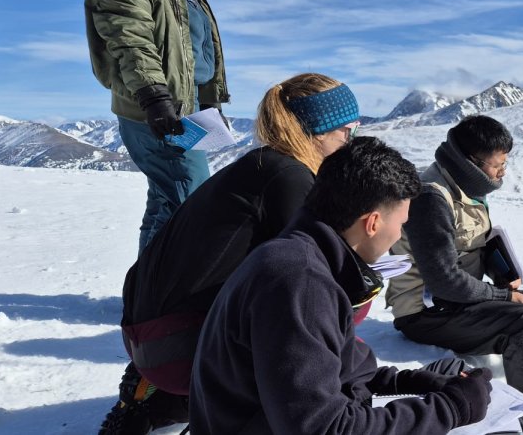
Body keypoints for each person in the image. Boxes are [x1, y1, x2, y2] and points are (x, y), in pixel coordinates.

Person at [98, 74, 361, 434]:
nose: (350, 142)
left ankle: (160, 399)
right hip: (177, 347)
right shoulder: (289, 178)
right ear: (317, 131)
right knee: (338, 300)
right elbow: (315, 283)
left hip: (151, 336)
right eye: (346, 131)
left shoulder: (263, 166)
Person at [188, 136, 492, 434]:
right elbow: (324, 427)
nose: (400, 236)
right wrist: (451, 409)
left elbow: (345, 370)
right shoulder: (301, 282)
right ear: (372, 223)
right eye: (402, 224)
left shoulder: (306, 260)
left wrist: (415, 383)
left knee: (450, 375)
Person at [385, 115, 523, 433]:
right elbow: (443, 279)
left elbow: (471, 248)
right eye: (497, 165)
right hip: (424, 313)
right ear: (471, 161)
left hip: (456, 304)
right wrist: (503, 295)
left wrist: (502, 272)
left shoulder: (467, 189)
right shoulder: (432, 198)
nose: (503, 172)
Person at [84, 0, 228, 253]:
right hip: (154, 108)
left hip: (186, 107)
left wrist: (209, 102)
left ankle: (146, 296)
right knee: (187, 199)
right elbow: (130, 41)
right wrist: (154, 98)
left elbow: (198, 47)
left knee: (168, 197)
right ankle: (162, 298)